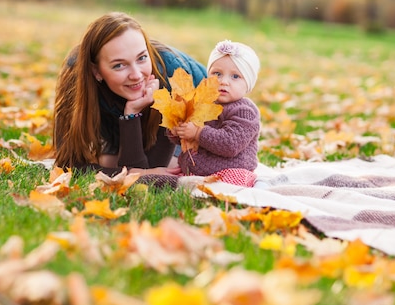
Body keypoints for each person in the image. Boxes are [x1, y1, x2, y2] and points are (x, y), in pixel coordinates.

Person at [53, 12, 206, 178]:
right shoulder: (75, 77)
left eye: (142, 58)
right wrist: (131, 114)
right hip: (116, 116)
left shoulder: (172, 74)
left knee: (173, 169)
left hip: (195, 124)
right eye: (119, 65)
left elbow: (155, 168)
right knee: (110, 165)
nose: (136, 75)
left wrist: (135, 173)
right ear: (96, 71)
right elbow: (68, 164)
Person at [171, 39, 261, 185]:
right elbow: (185, 138)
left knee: (226, 187)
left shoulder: (245, 111)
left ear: (248, 84)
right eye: (217, 74)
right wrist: (177, 130)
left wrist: (197, 133)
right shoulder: (202, 103)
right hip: (194, 170)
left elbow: (231, 144)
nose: (223, 81)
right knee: (161, 181)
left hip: (231, 171)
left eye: (235, 76)